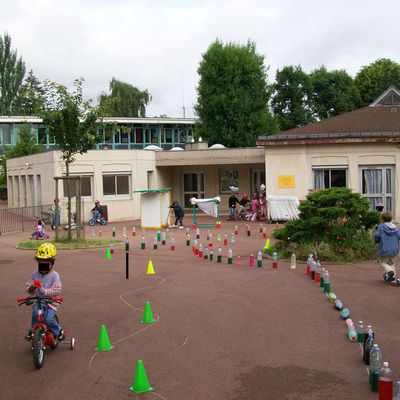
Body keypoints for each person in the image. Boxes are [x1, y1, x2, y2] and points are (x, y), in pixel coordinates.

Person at [24, 243, 64, 341]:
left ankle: (58, 331)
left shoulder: (55, 275)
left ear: (52, 262)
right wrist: (31, 288)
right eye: (40, 263)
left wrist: (44, 291)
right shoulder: (35, 274)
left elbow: (57, 290)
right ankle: (33, 331)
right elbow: (29, 288)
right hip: (38, 302)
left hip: (51, 303)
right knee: (34, 314)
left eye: (45, 263)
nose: (42, 266)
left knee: (48, 319)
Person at [374, 211, 400, 283]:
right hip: (394, 249)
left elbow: (377, 237)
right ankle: (393, 277)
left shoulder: (381, 227)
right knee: (391, 263)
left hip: (384, 249)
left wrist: (376, 241)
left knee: (382, 262)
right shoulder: (395, 228)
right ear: (391, 219)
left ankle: (390, 271)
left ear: (382, 219)